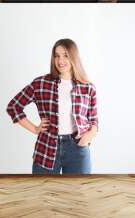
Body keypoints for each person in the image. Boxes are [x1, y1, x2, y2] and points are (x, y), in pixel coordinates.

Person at [6, 38, 98, 174]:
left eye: (65, 55)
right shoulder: (41, 83)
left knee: (78, 194)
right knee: (43, 194)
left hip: (78, 150)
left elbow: (94, 121)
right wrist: (35, 129)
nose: (60, 61)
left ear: (74, 57)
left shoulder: (87, 87)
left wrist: (87, 137)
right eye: (57, 56)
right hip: (46, 149)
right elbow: (13, 107)